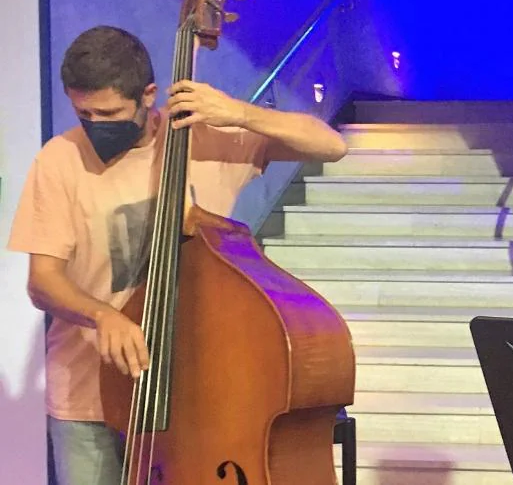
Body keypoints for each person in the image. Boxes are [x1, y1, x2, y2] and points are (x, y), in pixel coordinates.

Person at [6, 25, 349, 485]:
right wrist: (101, 316)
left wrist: (240, 114)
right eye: (83, 112)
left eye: (108, 112)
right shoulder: (60, 159)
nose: (94, 126)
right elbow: (42, 281)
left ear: (149, 95)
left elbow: (332, 145)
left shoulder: (205, 138)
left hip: (193, 398)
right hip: (90, 400)